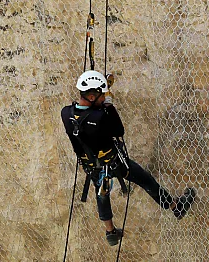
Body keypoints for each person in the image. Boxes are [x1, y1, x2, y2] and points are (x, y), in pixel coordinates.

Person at [62, 71, 195, 246]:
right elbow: (119, 131)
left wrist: (102, 95)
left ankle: (110, 232)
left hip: (91, 166)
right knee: (146, 181)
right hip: (114, 163)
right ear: (93, 96)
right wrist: (108, 105)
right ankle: (175, 207)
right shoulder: (101, 115)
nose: (105, 97)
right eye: (102, 95)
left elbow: (87, 117)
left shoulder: (66, 113)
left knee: (101, 192)